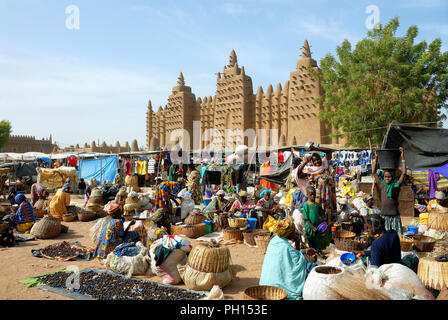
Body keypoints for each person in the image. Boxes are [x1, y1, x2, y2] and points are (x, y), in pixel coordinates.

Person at [259, 218, 318, 300]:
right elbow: (298, 263)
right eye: (293, 231)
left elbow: (290, 255)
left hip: (265, 286)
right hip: (278, 288)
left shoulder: (274, 241)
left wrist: (304, 251)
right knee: (312, 267)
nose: (294, 233)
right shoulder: (285, 246)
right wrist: (297, 242)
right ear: (288, 233)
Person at [295, 152, 336, 222]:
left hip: (330, 199)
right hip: (319, 200)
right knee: (320, 217)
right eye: (314, 160)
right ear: (312, 162)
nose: (317, 161)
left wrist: (316, 149)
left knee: (330, 220)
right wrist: (306, 161)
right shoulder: (311, 172)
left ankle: (328, 230)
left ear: (321, 159)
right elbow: (298, 174)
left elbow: (329, 153)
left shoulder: (325, 167)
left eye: (318, 159)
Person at [373, 147, 406, 234]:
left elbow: (403, 173)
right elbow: (373, 172)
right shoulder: (381, 185)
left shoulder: (396, 186)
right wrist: (376, 158)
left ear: (392, 177)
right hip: (384, 217)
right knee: (385, 237)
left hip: (395, 217)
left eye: (389, 177)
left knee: (396, 238)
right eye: (385, 177)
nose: (387, 178)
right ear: (383, 177)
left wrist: (402, 157)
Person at [302, 186, 330, 250]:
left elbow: (322, 213)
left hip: (317, 227)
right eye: (311, 194)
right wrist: (312, 227)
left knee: (317, 241)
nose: (313, 196)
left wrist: (324, 219)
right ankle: (313, 254)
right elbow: (306, 218)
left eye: (314, 194)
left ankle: (318, 252)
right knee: (311, 241)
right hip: (310, 227)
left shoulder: (317, 204)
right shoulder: (306, 205)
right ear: (307, 195)